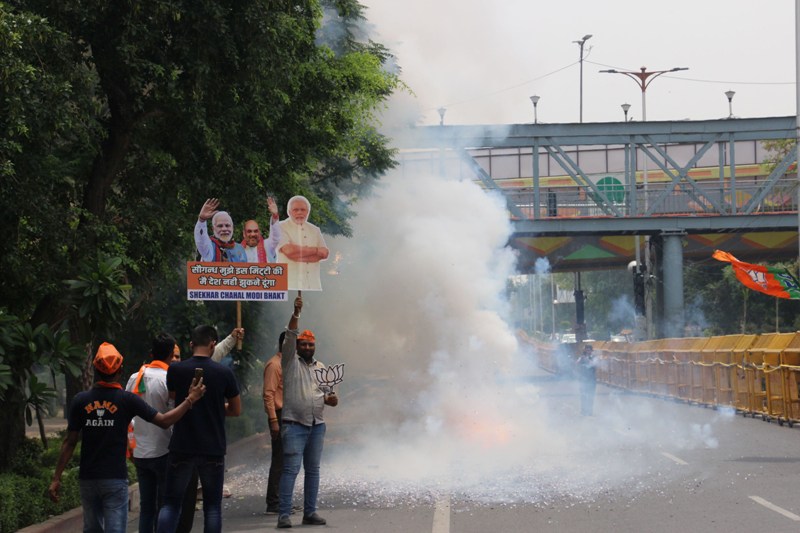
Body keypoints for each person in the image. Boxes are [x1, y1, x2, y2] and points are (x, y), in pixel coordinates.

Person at [48, 342, 205, 533]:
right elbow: (164, 421)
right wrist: (190, 399)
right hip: (115, 478)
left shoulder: (80, 400)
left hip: (88, 479)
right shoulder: (126, 400)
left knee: (92, 528)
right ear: (120, 370)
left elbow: (69, 442)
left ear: (96, 370)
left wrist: (56, 478)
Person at [156, 325, 242, 533]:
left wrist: (195, 402)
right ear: (213, 344)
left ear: (191, 344)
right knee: (212, 508)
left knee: (171, 504)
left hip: (182, 446)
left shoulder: (175, 370)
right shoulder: (224, 373)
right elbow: (236, 410)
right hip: (212, 448)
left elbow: (176, 400)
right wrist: (215, 407)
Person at [277, 295, 339, 529]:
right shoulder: (290, 362)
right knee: (291, 470)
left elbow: (329, 396)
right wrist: (296, 314)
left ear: (315, 347)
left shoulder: (322, 368)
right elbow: (291, 335)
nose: (307, 347)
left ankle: (309, 512)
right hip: (294, 424)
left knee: (313, 471)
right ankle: (284, 515)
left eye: (310, 344)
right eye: (303, 344)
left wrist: (332, 399)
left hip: (317, 425)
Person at [125, 334, 179, 533]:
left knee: (147, 507)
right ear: (170, 356)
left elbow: (126, 413)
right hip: (163, 450)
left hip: (140, 452)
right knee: (165, 504)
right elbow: (175, 413)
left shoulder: (134, 377)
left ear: (151, 353)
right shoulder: (168, 380)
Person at [276, 195, 329, 290]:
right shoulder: (280, 227)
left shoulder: (315, 230)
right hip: (289, 285)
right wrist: (316, 250)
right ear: (289, 212)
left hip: (313, 285)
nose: (299, 212)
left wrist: (297, 256)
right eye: (295, 210)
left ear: (308, 212)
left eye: (303, 210)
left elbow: (324, 253)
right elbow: (289, 251)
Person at [263, 331, 286, 514]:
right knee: (279, 460)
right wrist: (273, 421)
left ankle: (283, 500)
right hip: (279, 415)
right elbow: (268, 395)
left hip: (288, 415)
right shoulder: (274, 365)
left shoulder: (288, 364)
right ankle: (273, 502)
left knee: (288, 460)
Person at [194, 198, 247, 262]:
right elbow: (200, 240)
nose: (224, 229)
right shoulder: (208, 246)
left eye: (227, 225)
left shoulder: (240, 248)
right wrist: (201, 220)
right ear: (213, 229)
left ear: (232, 228)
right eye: (220, 226)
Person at [242, 196, 282, 263]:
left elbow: (276, 238)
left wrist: (275, 215)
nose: (253, 234)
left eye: (255, 231)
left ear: (259, 233)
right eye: (249, 231)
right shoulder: (237, 251)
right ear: (244, 233)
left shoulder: (267, 246)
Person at [577, 344, 597, 416]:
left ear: (591, 351)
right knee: (583, 395)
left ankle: (590, 411)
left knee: (591, 396)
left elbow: (594, 364)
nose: (588, 351)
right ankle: (583, 411)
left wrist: (587, 359)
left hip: (591, 380)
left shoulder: (594, 357)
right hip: (583, 379)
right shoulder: (582, 357)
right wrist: (582, 359)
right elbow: (577, 363)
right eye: (586, 350)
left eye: (589, 350)